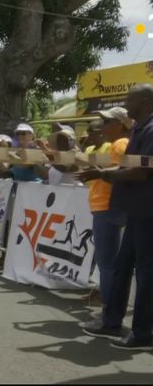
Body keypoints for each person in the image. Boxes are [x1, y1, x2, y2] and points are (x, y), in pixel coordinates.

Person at [79, 84, 153, 350]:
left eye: (130, 99)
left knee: (145, 273)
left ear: (145, 101)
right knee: (122, 268)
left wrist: (102, 174)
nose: (127, 103)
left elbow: (141, 172)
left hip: (148, 211)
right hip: (136, 210)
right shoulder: (139, 129)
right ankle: (112, 322)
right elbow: (129, 166)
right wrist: (104, 171)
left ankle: (143, 333)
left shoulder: (151, 130)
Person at [76, 107, 131, 317]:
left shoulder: (119, 144)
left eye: (107, 122)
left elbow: (120, 174)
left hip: (107, 206)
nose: (103, 126)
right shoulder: (122, 143)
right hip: (110, 206)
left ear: (119, 124)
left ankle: (109, 310)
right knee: (111, 263)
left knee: (107, 263)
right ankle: (112, 308)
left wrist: (95, 174)